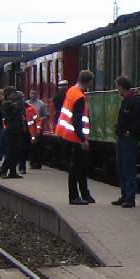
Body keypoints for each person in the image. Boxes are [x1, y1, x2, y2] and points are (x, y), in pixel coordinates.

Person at [56, 69, 95, 204]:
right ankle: (74, 196)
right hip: (75, 136)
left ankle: (84, 194)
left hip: (68, 133)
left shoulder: (72, 90)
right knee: (77, 166)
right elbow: (77, 120)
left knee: (80, 165)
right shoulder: (79, 97)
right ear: (89, 82)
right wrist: (83, 139)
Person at [112, 75, 140, 208]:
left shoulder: (135, 101)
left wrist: (130, 132)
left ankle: (130, 197)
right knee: (121, 166)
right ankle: (124, 195)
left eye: (117, 86)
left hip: (129, 139)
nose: (116, 89)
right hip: (122, 137)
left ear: (122, 86)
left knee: (128, 167)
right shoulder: (126, 100)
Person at [0, 89, 25, 179]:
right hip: (10, 131)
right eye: (13, 93)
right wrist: (18, 100)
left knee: (16, 153)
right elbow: (13, 111)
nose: (15, 95)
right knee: (10, 152)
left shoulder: (16, 103)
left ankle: (13, 172)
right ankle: (3, 171)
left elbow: (21, 107)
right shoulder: (6, 104)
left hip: (18, 130)